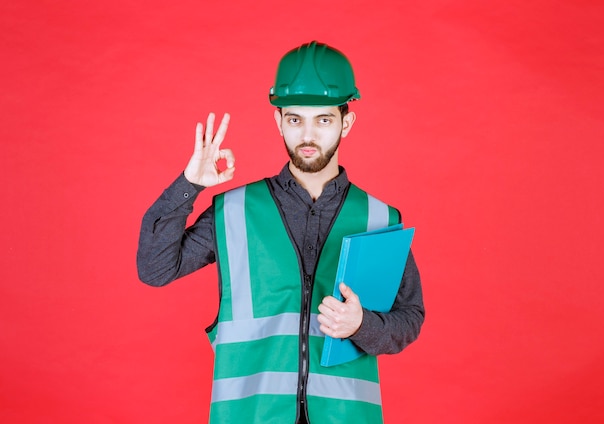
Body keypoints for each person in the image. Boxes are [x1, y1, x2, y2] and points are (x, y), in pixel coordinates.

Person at [137, 41, 425, 424]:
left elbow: (410, 318)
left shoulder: (379, 218)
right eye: (295, 120)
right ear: (278, 122)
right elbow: (155, 268)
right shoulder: (235, 211)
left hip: (345, 414)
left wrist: (362, 325)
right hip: (251, 414)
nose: (307, 135)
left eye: (322, 120)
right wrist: (190, 184)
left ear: (346, 122)